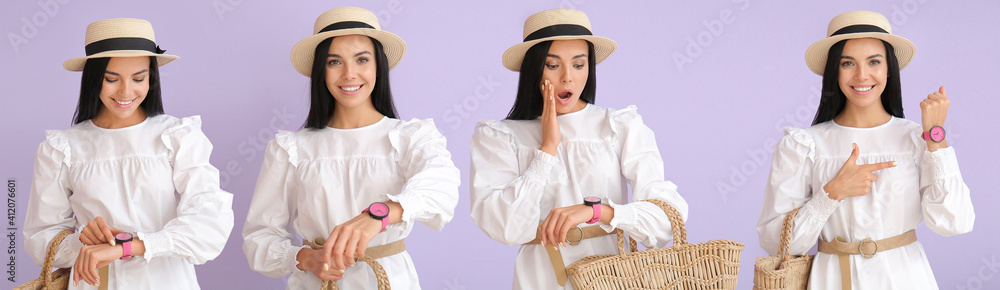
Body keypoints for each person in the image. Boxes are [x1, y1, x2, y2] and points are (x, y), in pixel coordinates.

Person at [242, 7, 460, 289]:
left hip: (391, 280)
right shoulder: (290, 148)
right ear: (321, 70)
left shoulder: (411, 136)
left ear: (378, 66)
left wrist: (376, 216)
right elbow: (259, 237)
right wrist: (305, 258)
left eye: (361, 59)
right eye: (335, 62)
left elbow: (442, 186)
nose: (349, 74)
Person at [469, 9, 689, 289]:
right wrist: (547, 149)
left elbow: (668, 218)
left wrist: (597, 212)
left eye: (578, 64)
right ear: (534, 68)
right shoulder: (500, 137)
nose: (567, 78)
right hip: (542, 277)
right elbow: (506, 227)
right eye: (552, 65)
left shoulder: (619, 125)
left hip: (614, 275)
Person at [756, 10, 975, 288]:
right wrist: (831, 194)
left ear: (888, 68)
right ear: (834, 69)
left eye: (874, 61)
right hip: (834, 280)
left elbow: (955, 222)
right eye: (848, 63)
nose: (862, 75)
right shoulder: (803, 145)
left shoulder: (916, 139)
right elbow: (775, 242)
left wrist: (936, 138)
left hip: (905, 278)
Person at [23, 18, 235, 289]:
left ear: (152, 77)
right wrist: (82, 240)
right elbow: (39, 239)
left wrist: (129, 247)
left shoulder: (177, 136)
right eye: (111, 79)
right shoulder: (62, 148)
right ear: (93, 78)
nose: (126, 91)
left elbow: (210, 223)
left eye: (138, 78)